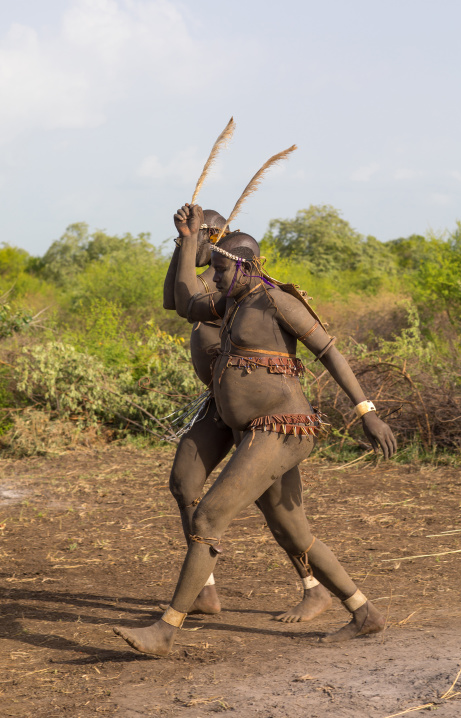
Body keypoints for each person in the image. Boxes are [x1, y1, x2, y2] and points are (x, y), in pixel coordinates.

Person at [114, 204, 396, 657]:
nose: (217, 279)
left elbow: (328, 352)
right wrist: (187, 241)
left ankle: (166, 630)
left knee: (208, 518)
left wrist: (367, 411)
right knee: (293, 532)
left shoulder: (275, 300)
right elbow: (184, 302)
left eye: (222, 269)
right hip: (251, 429)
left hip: (282, 429)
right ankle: (364, 613)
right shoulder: (233, 299)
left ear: (241, 264)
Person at [163, 209, 332, 621]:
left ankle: (315, 588)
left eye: (195, 239)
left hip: (255, 410)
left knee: (276, 508)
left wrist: (192, 242)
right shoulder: (211, 275)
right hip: (217, 403)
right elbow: (172, 299)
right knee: (184, 482)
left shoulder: (226, 281)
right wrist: (185, 241)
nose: (185, 246)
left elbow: (183, 300)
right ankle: (204, 590)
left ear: (217, 239)